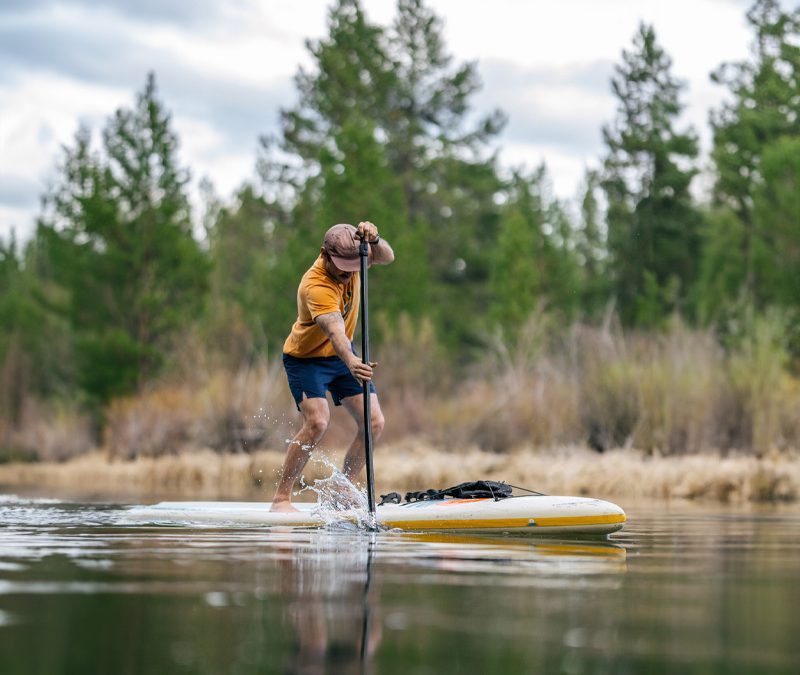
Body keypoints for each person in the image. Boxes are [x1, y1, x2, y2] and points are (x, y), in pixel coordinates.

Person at [271, 221, 395, 512]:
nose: (348, 274)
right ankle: (281, 499)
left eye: (353, 267)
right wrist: (352, 361)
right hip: (307, 359)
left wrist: (375, 239)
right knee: (317, 422)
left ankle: (342, 488)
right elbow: (336, 332)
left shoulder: (357, 259)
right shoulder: (315, 286)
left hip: (341, 356)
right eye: (341, 268)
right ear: (324, 254)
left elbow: (388, 256)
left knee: (374, 422)